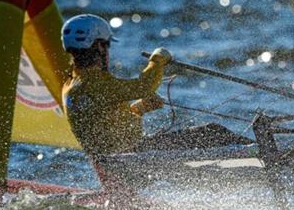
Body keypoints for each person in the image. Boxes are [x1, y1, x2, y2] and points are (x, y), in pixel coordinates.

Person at [61, 14, 250, 160]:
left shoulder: (72, 83)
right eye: (108, 45)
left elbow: (103, 119)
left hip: (115, 161)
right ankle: (272, 156)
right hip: (133, 158)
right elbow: (144, 86)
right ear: (100, 47)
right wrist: (157, 59)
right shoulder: (95, 83)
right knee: (214, 132)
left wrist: (139, 108)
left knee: (209, 134)